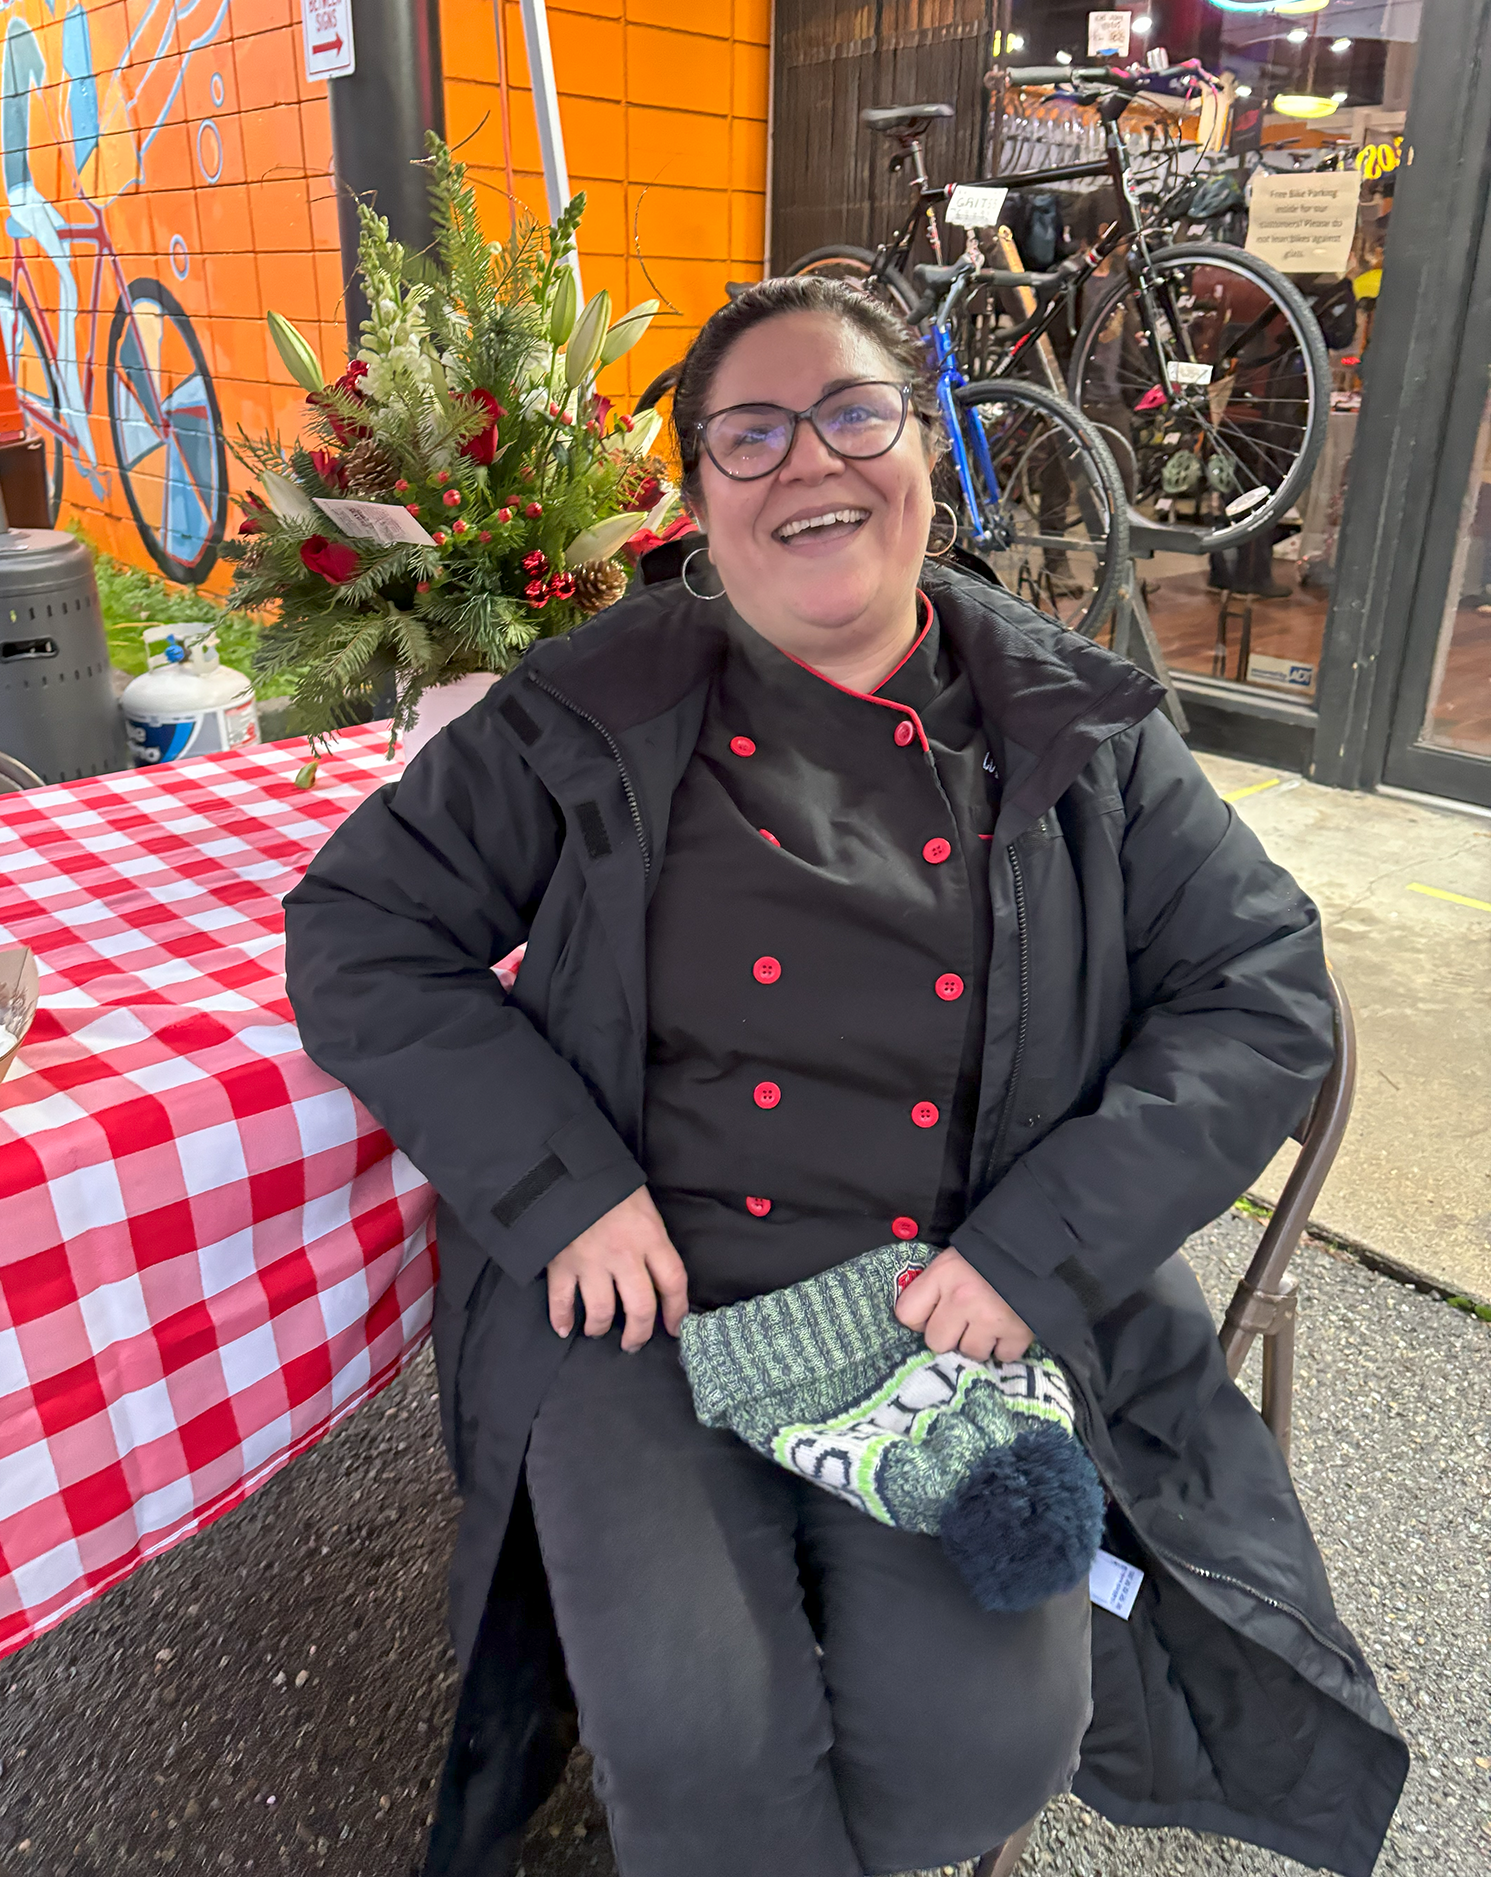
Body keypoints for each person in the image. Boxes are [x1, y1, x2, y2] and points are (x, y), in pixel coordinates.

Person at [284, 278, 1406, 1877]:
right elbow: (361, 928)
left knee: (986, 1753)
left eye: (853, 412)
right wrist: (565, 1186)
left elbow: (1263, 990)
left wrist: (1038, 1249)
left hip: (945, 1307)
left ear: (925, 451)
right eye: (751, 433)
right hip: (645, 1308)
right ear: (698, 498)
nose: (808, 463)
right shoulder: (594, 705)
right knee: (691, 1735)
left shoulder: (1072, 724)